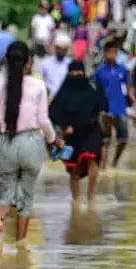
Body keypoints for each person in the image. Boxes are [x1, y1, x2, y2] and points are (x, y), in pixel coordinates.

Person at [0, 41, 60, 251]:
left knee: (5, 191)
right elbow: (44, 120)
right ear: (29, 62)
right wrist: (53, 139)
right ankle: (20, 244)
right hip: (32, 143)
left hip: (8, 142)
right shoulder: (38, 86)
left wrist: (3, 128)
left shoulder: (0, 85)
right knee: (27, 196)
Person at [49, 61, 104, 204]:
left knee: (92, 160)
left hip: (91, 130)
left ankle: (91, 197)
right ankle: (76, 200)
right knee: (74, 168)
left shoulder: (92, 90)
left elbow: (99, 108)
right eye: (74, 72)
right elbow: (54, 112)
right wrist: (63, 127)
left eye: (79, 72)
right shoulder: (63, 93)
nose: (77, 75)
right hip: (72, 135)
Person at [93, 41, 131, 168]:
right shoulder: (99, 71)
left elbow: (129, 88)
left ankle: (114, 162)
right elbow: (95, 90)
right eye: (109, 52)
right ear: (105, 53)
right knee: (105, 140)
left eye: (114, 52)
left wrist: (135, 104)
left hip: (120, 108)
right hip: (105, 108)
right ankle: (103, 168)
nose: (112, 55)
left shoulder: (123, 70)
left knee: (123, 139)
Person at [38, 32, 74, 98]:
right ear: (55, 48)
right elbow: (39, 80)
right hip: (48, 98)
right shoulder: (45, 63)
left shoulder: (70, 63)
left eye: (64, 49)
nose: (61, 51)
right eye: (59, 48)